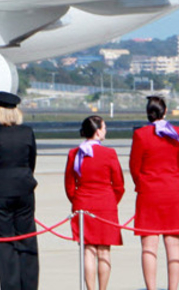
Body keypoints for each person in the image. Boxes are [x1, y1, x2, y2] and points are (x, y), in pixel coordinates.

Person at [0, 91, 38, 290]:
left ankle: (10, 287)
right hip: (24, 188)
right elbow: (31, 161)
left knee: (5, 245)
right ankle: (29, 285)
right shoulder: (27, 132)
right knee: (27, 239)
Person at [129, 95, 179, 290]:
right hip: (172, 190)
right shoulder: (177, 132)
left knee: (148, 247)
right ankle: (173, 287)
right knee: (174, 245)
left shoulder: (141, 135)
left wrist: (144, 183)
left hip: (149, 192)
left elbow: (134, 167)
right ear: (165, 111)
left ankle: (151, 288)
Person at [64, 115, 124, 290]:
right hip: (105, 204)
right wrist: (112, 202)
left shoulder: (74, 153)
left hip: (83, 204)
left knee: (88, 251)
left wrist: (77, 201)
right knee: (104, 251)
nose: (105, 131)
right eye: (104, 127)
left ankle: (90, 288)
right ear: (97, 131)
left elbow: (69, 185)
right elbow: (119, 184)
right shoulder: (109, 154)